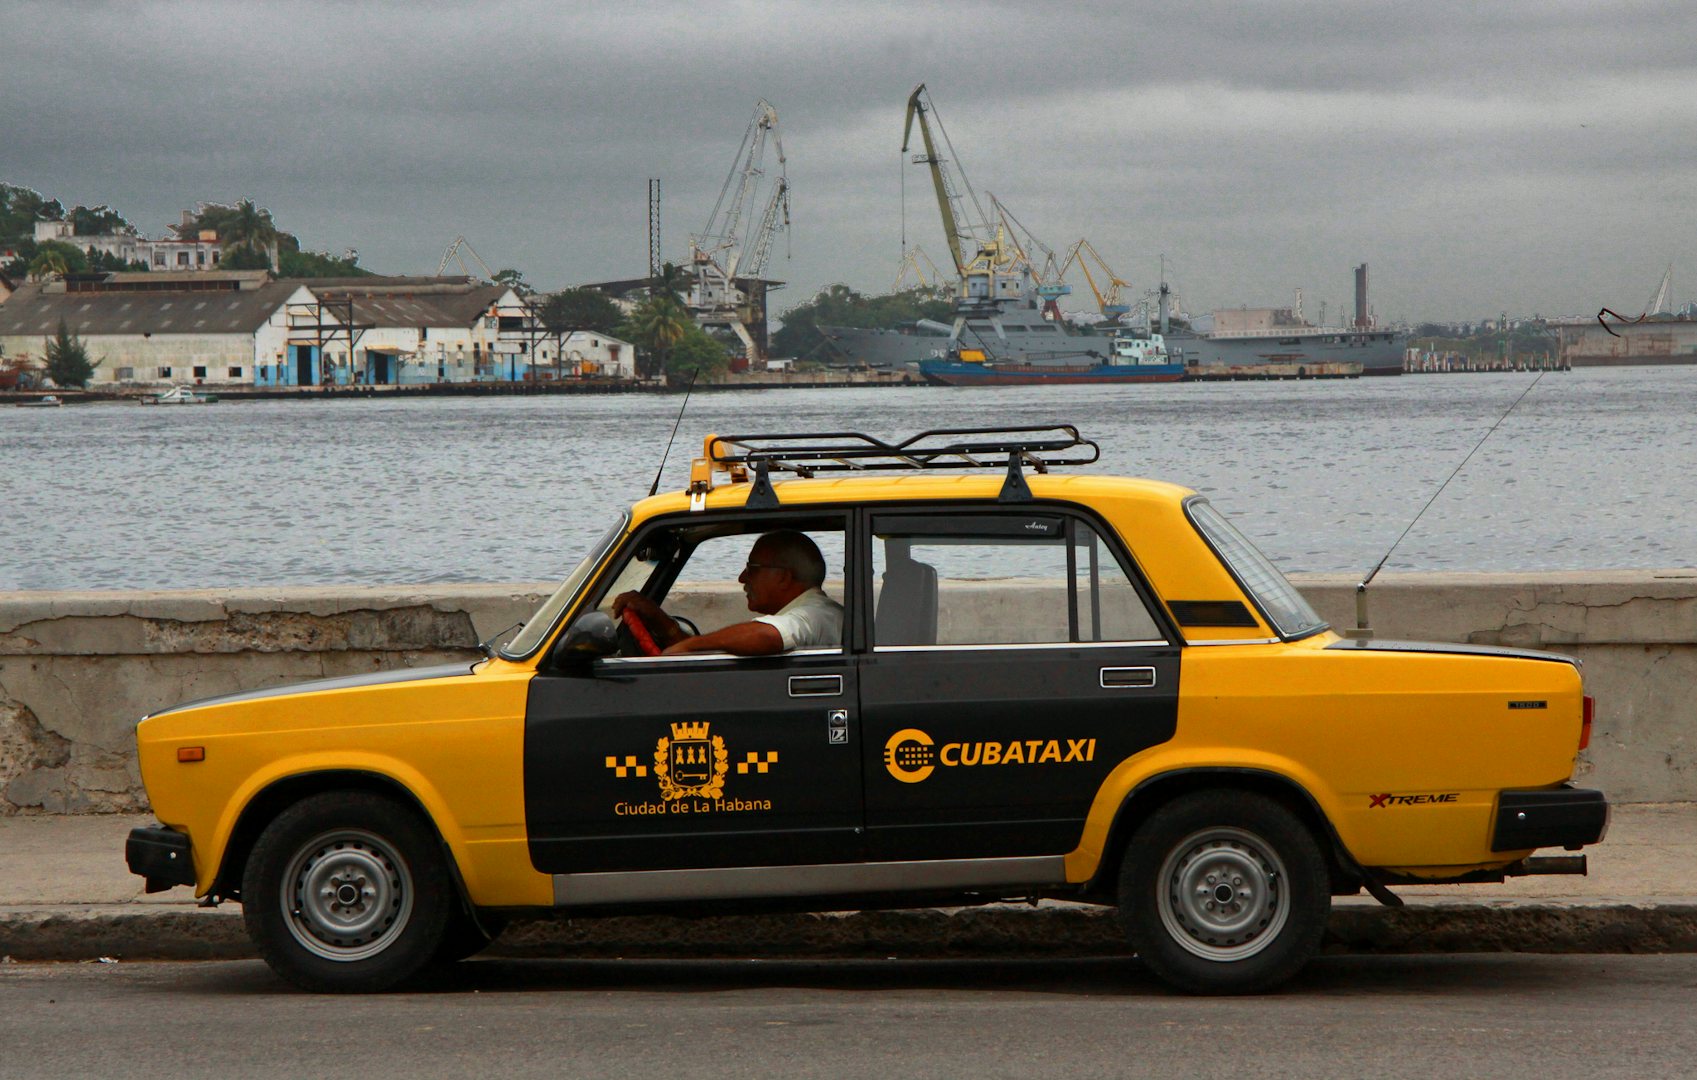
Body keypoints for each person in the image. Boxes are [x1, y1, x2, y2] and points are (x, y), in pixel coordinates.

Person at [611, 530, 842, 656]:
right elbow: (715, 651)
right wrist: (663, 624)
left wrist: (689, 646)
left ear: (783, 577)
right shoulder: (809, 613)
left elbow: (769, 635)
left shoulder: (815, 615)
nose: (742, 578)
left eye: (752, 569)